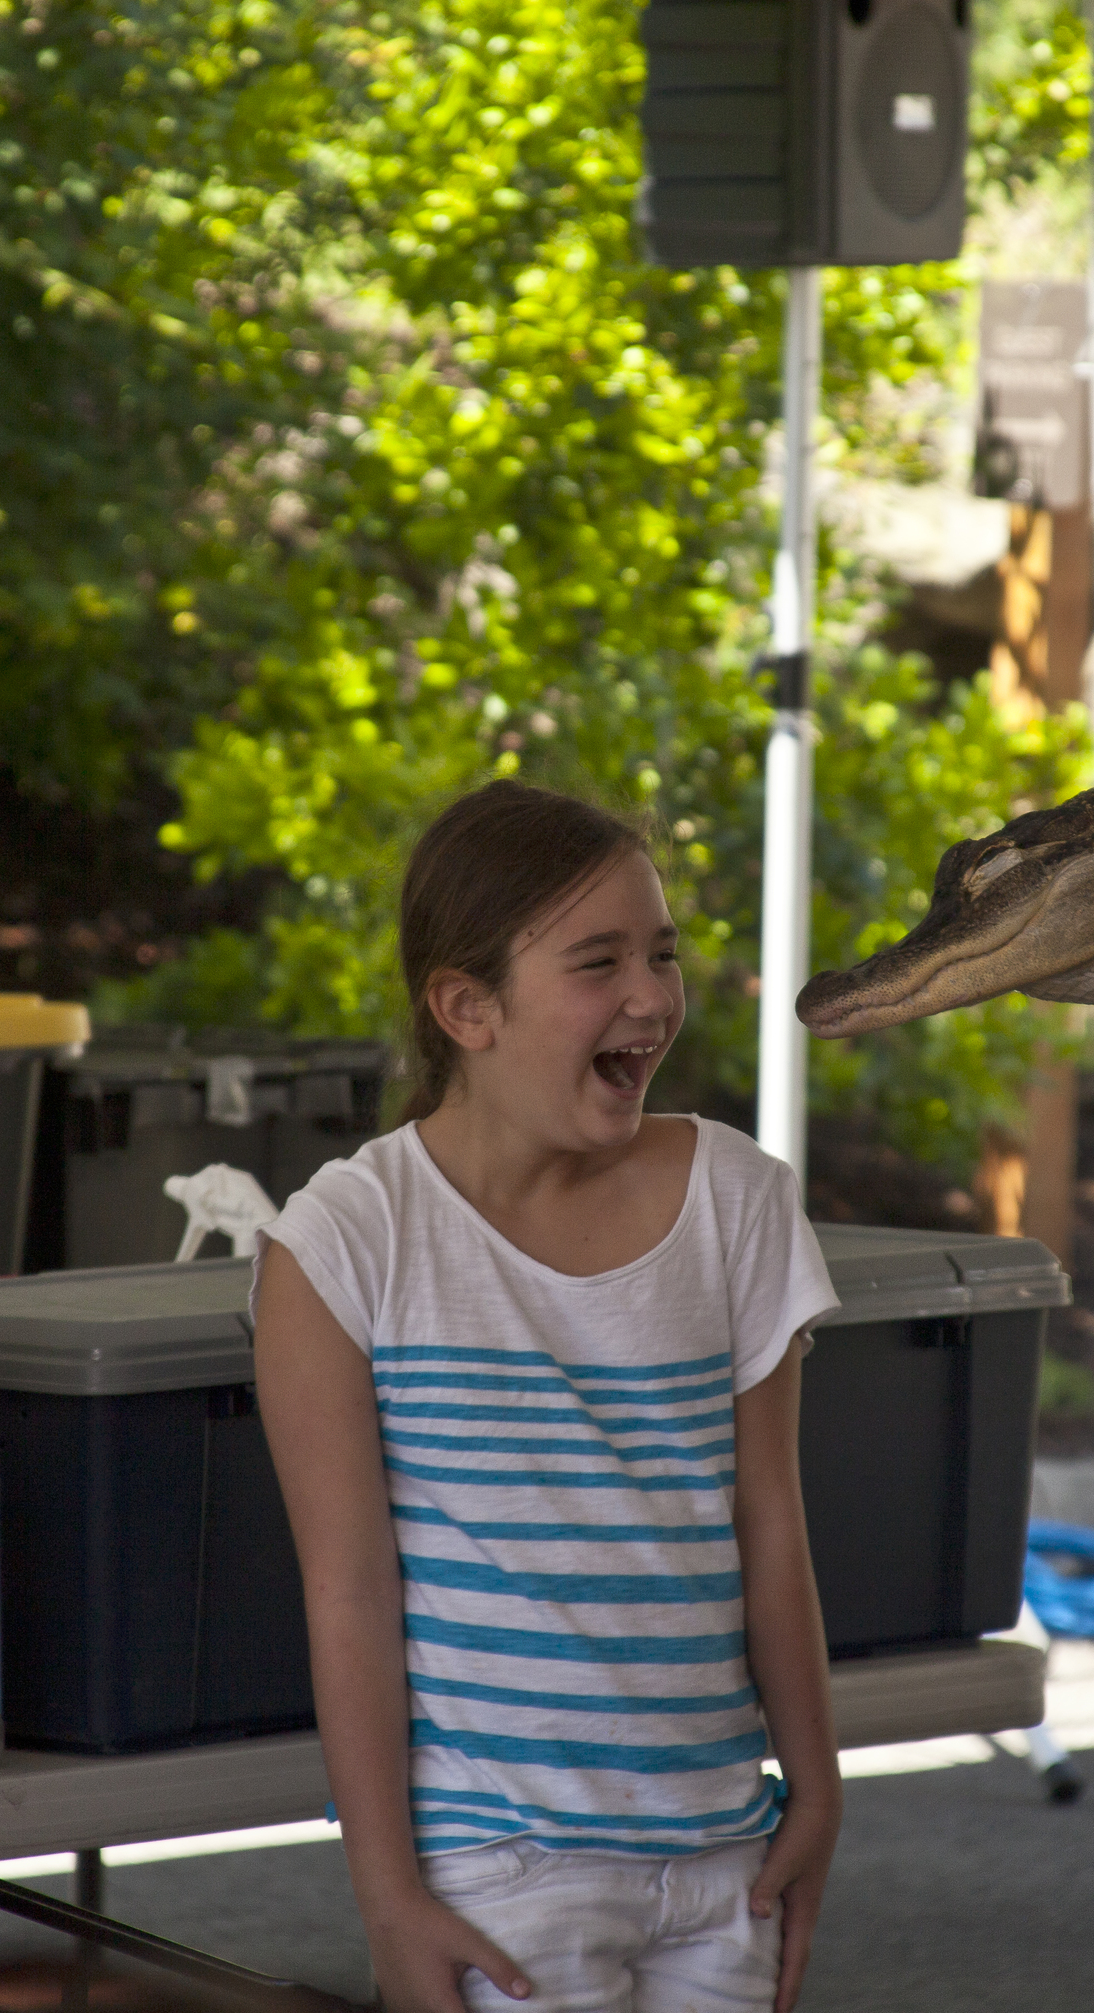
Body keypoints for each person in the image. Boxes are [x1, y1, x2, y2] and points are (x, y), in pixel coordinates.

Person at [252, 782, 842, 2013]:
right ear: (466, 1008)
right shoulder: (342, 1242)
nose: (652, 996)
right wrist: (389, 1897)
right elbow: (347, 1592)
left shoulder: (738, 1199)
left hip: (723, 1840)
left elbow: (770, 1523)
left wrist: (818, 1793)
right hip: (497, 1865)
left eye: (662, 952)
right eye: (598, 962)